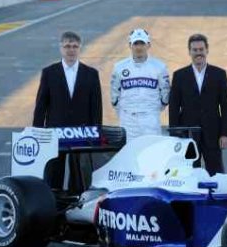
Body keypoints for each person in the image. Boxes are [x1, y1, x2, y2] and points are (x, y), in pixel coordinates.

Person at [32, 31, 103, 189]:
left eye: (75, 46)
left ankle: (78, 203)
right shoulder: (49, 73)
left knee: (79, 174)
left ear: (80, 48)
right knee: (53, 173)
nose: (71, 50)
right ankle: (53, 204)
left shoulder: (91, 74)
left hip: (82, 133)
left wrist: (96, 132)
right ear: (61, 48)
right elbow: (41, 105)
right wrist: (37, 132)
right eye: (67, 46)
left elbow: (96, 106)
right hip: (55, 133)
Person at [169, 33, 227, 176]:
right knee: (188, 173)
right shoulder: (179, 75)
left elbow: (226, 106)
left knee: (216, 174)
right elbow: (173, 107)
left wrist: (225, 134)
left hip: (213, 134)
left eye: (201, 49)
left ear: (207, 50)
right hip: (188, 134)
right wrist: (175, 133)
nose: (198, 53)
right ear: (189, 52)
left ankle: (216, 197)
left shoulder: (219, 74)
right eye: (195, 50)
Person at [110, 28, 170, 140]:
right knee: (128, 152)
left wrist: (153, 109)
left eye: (142, 43)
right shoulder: (119, 67)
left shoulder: (160, 67)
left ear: (148, 45)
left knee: (151, 151)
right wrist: (124, 111)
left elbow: (165, 95)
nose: (139, 47)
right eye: (135, 44)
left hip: (150, 119)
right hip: (128, 119)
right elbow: (114, 95)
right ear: (130, 45)